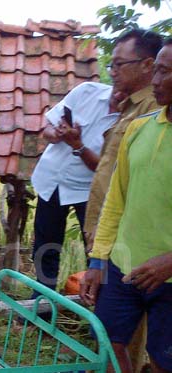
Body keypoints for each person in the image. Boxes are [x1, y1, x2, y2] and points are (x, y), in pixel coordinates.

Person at [80, 39, 172, 373]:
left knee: (163, 362)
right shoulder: (139, 127)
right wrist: (98, 261)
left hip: (169, 279)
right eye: (157, 69)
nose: (157, 80)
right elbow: (115, 202)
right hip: (124, 266)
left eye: (165, 71)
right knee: (108, 345)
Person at [29, 81, 120, 291]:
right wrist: (57, 133)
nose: (119, 92)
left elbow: (104, 169)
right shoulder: (87, 91)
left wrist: (77, 146)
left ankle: (95, 302)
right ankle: (41, 302)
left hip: (88, 191)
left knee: (95, 249)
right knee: (45, 247)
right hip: (51, 181)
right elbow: (48, 129)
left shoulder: (130, 119)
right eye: (114, 69)